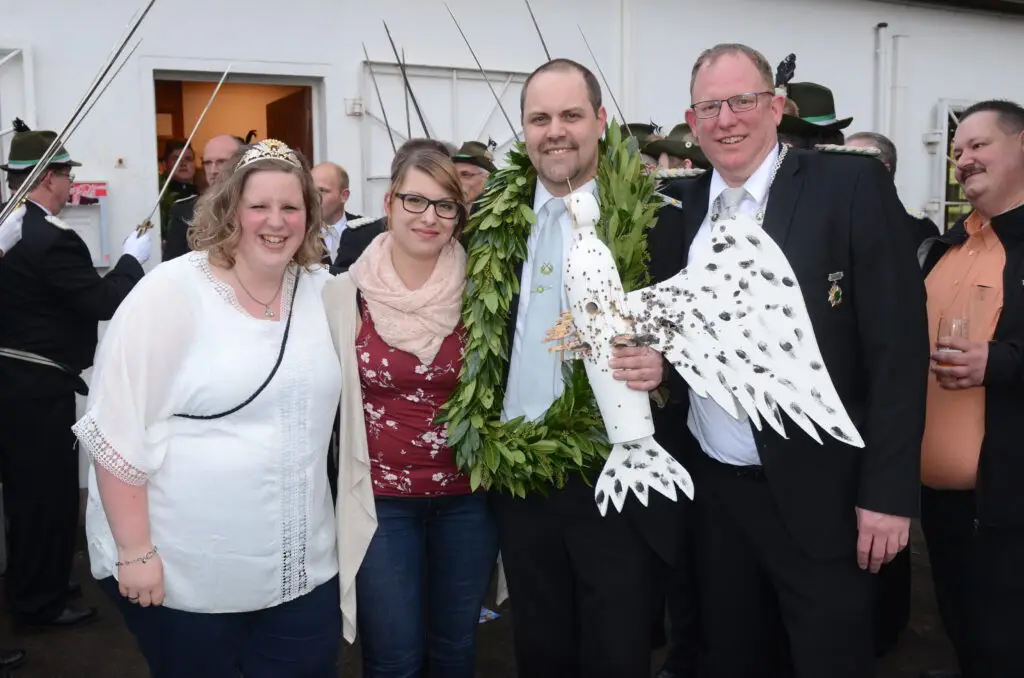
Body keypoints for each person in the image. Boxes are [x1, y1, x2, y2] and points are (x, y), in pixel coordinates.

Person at [673, 43, 928, 677]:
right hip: (715, 493)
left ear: (776, 107)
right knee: (730, 657)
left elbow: (897, 352)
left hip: (824, 498)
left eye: (742, 101)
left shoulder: (849, 187)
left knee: (827, 658)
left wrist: (888, 495)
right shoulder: (675, 209)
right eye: (710, 107)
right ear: (692, 119)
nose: (727, 119)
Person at [72, 139, 343, 677]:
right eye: (258, 205)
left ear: (310, 216)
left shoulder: (322, 292)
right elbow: (117, 428)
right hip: (187, 579)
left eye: (291, 207)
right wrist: (135, 552)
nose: (276, 221)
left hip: (302, 573)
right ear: (228, 208)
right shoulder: (170, 292)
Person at [490, 58, 679, 678]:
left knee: (616, 647)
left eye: (570, 115)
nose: (555, 132)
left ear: (600, 121)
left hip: (614, 474)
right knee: (539, 645)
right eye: (539, 118)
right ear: (524, 129)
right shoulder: (492, 222)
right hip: (518, 474)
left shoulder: (660, 219)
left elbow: (693, 341)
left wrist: (665, 369)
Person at [323, 138, 497, 677]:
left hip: (468, 500)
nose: (429, 217)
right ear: (389, 203)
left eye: (445, 205)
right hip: (381, 504)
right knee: (394, 658)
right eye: (415, 200)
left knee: (454, 651)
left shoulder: (485, 290)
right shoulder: (343, 295)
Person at [0, 123, 150, 631]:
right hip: (37, 392)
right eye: (67, 176)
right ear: (49, 178)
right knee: (45, 499)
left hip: (19, 386)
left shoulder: (10, 229)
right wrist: (131, 260)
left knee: (30, 497)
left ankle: (39, 585)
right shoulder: (50, 238)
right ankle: (38, 603)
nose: (71, 187)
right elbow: (102, 301)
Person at [918, 99, 1024, 678]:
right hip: (940, 504)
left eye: (979, 145)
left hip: (1009, 510)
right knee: (963, 634)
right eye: (958, 151)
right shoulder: (948, 246)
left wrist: (1001, 361)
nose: (962, 160)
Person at [163, 134, 245, 260]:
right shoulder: (185, 211)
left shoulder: (262, 208)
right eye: (207, 163)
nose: (213, 171)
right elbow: (172, 265)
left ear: (243, 163)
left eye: (222, 162)